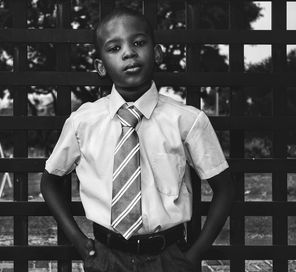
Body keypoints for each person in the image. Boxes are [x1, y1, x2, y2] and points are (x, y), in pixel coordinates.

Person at [41, 7, 234, 272]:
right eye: (114, 48)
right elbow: (50, 181)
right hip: (106, 257)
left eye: (139, 43)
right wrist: (79, 241)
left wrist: (192, 257)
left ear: (156, 53)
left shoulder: (187, 120)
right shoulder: (83, 122)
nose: (129, 53)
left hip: (169, 257)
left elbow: (225, 189)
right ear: (100, 66)